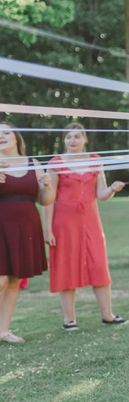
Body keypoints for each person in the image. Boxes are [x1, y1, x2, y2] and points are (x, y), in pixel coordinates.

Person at [43, 123, 127, 330]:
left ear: (85, 139)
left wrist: (113, 189)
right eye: (69, 137)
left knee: (98, 265)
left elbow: (101, 195)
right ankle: (69, 319)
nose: (73, 140)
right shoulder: (55, 163)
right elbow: (48, 198)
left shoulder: (95, 161)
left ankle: (108, 315)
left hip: (90, 221)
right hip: (64, 222)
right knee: (67, 266)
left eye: (77, 136)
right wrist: (47, 229)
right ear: (64, 140)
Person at [0, 123, 54, 343]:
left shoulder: (34, 163)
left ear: (17, 137)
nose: (1, 136)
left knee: (14, 280)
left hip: (25, 226)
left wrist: (48, 186)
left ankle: (3, 331)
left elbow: (45, 200)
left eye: (6, 132)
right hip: (0, 225)